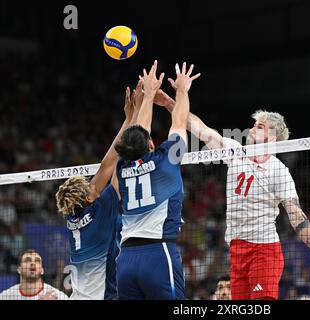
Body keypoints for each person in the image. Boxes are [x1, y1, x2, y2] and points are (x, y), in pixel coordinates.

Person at [155, 94, 310, 300]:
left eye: (260, 127)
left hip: (264, 250)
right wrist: (170, 104)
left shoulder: (279, 171)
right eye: (254, 124)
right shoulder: (235, 152)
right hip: (236, 249)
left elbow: (296, 215)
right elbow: (202, 131)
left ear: (272, 138)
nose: (252, 128)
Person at [113, 61, 200, 300]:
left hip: (126, 260)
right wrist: (182, 90)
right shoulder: (166, 162)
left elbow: (138, 133)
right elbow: (179, 122)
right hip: (157, 253)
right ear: (150, 144)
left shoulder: (122, 167)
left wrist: (148, 96)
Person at [55, 84, 141, 299]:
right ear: (88, 199)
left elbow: (105, 166)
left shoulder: (72, 215)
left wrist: (127, 120)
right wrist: (137, 113)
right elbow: (115, 166)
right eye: (90, 188)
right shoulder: (100, 211)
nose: (93, 186)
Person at [0, 249, 68, 300]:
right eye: (27, 260)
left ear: (42, 270)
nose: (33, 263)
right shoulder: (6, 296)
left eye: (37, 261)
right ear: (19, 269)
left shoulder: (58, 296)